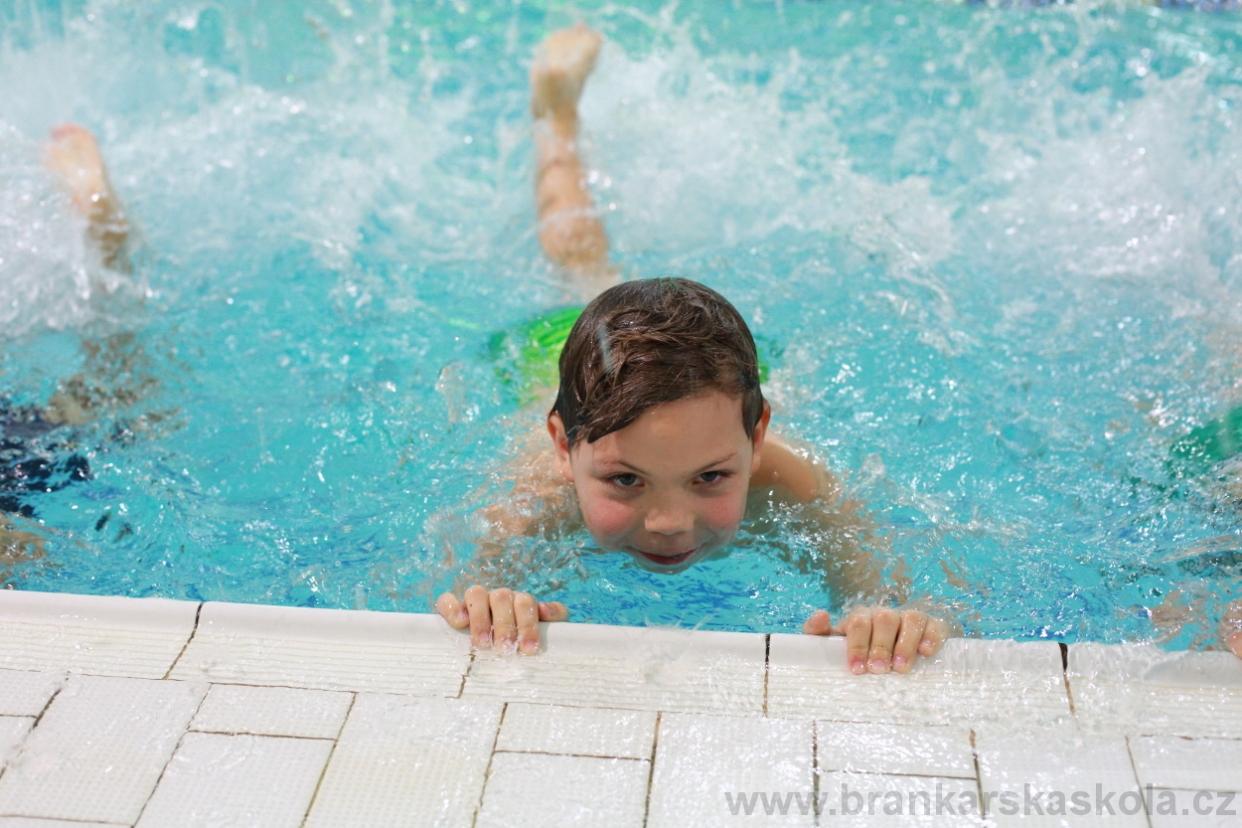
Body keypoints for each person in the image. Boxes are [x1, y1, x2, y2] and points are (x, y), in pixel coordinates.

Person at [435, 24, 955, 673]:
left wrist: (892, 620)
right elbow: (466, 596)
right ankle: (554, 113)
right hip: (558, 347)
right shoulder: (533, 499)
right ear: (565, 448)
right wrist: (494, 602)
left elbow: (909, 601)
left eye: (710, 476)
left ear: (757, 436)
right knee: (574, 254)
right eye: (626, 480)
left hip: (712, 379)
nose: (668, 523)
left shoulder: (795, 484)